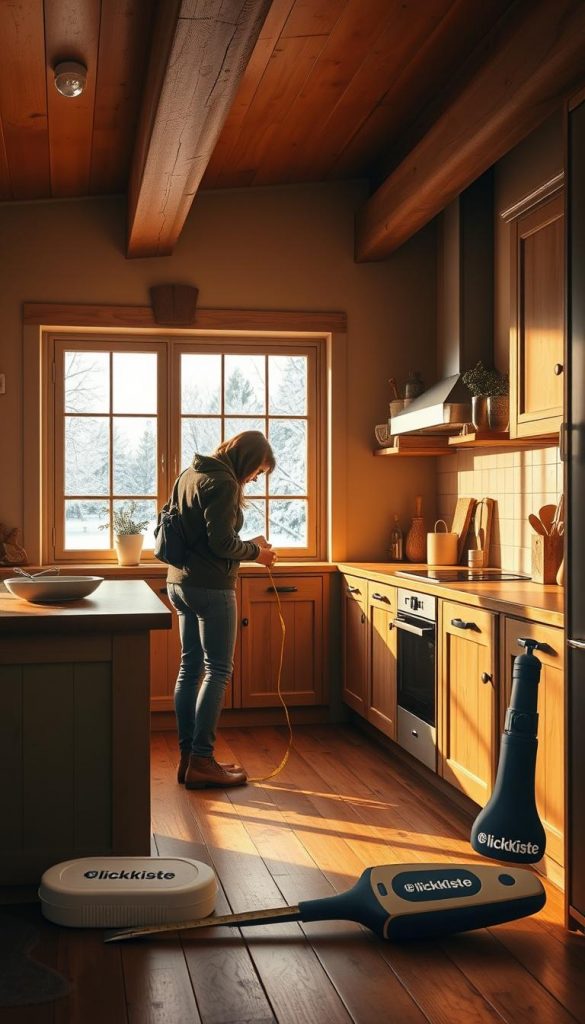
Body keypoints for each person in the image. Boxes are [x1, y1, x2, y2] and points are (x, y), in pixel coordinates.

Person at [167, 430, 277, 790]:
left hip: (178, 583)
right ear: (246, 460)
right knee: (218, 671)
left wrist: (248, 545)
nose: (254, 479)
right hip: (211, 588)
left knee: (189, 668)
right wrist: (258, 553)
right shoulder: (224, 483)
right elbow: (221, 543)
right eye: (257, 471)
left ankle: (189, 758)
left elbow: (194, 530)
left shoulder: (190, 474)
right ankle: (202, 759)